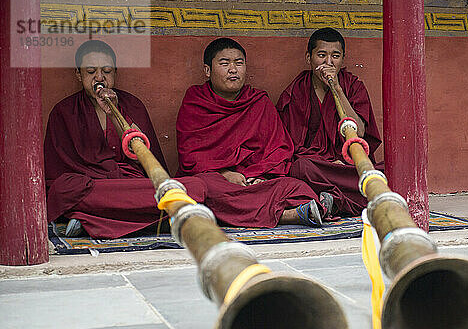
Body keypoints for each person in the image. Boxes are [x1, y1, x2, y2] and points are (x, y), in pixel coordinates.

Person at [44, 40, 207, 239]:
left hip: (130, 184)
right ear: (78, 74)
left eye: (106, 71)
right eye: (90, 72)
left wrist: (118, 118)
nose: (99, 78)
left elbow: (151, 165)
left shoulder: (132, 106)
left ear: (115, 73)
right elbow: (57, 175)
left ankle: (90, 219)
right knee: (64, 190)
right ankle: (152, 219)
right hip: (90, 187)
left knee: (194, 187)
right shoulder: (64, 111)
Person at [176, 38, 325, 228]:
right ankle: (288, 216)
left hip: (256, 180)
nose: (233, 69)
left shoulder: (258, 102)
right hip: (218, 180)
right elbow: (190, 156)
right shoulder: (195, 102)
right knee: (202, 187)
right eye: (224, 63)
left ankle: (254, 210)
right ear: (207, 70)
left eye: (239, 63)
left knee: (296, 187)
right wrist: (225, 174)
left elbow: (280, 148)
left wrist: (257, 175)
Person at [277, 27, 382, 217]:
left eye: (335, 56)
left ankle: (333, 201)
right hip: (318, 167)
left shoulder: (353, 86)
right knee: (300, 168)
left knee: (390, 171)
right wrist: (327, 162)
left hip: (348, 165)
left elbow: (358, 133)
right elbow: (288, 145)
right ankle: (344, 201)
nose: (328, 62)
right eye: (321, 55)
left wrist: (337, 89)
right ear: (309, 58)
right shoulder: (296, 91)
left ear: (343, 59)